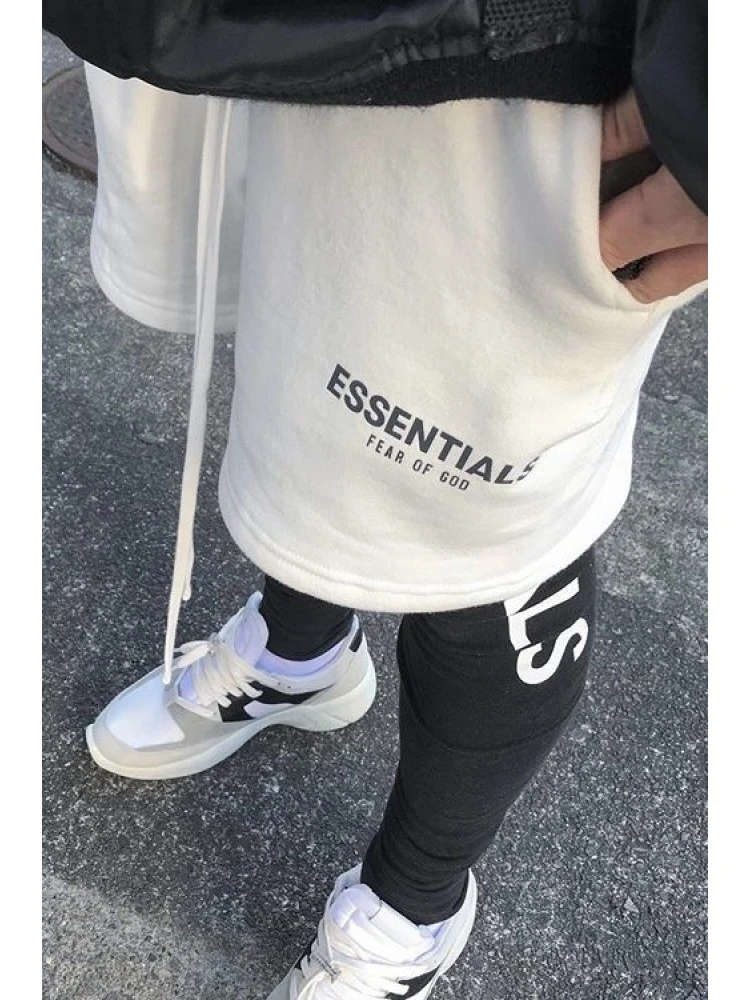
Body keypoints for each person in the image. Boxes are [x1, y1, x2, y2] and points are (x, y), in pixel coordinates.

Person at [43, 2, 707, 998]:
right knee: (308, 362)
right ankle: (300, 651)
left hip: (548, 61)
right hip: (263, 34)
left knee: (490, 529)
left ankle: (413, 906)